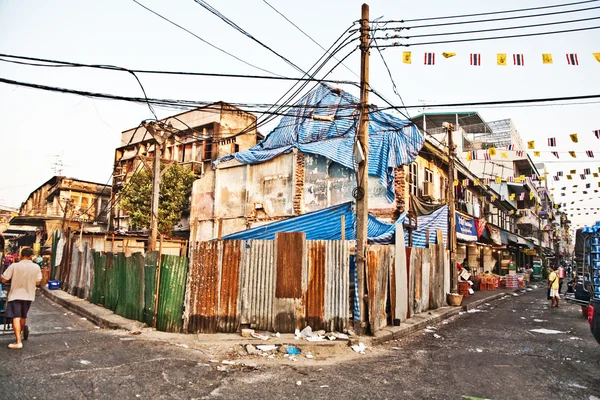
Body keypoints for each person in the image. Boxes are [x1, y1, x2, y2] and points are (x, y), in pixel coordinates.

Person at [0, 247, 42, 349]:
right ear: (32, 256)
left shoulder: (14, 266)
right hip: (28, 295)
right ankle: (20, 332)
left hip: (15, 295)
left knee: (16, 317)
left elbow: (4, 280)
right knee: (23, 316)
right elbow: (38, 282)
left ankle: (18, 341)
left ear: (20, 255)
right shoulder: (36, 267)